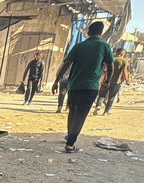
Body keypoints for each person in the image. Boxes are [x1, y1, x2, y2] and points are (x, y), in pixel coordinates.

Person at [52, 21, 114, 153]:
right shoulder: (105, 46)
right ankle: (70, 143)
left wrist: (56, 80)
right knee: (80, 115)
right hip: (90, 87)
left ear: (88, 32)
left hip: (74, 85)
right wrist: (107, 80)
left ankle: (70, 136)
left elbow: (66, 64)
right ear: (101, 32)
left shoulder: (79, 46)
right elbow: (110, 66)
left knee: (73, 112)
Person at [93, 48, 130, 115]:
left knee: (102, 95)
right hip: (116, 82)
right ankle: (106, 111)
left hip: (106, 80)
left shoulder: (109, 58)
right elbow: (124, 71)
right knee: (111, 97)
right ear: (122, 54)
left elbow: (103, 69)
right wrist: (127, 80)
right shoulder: (124, 61)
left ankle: (98, 106)